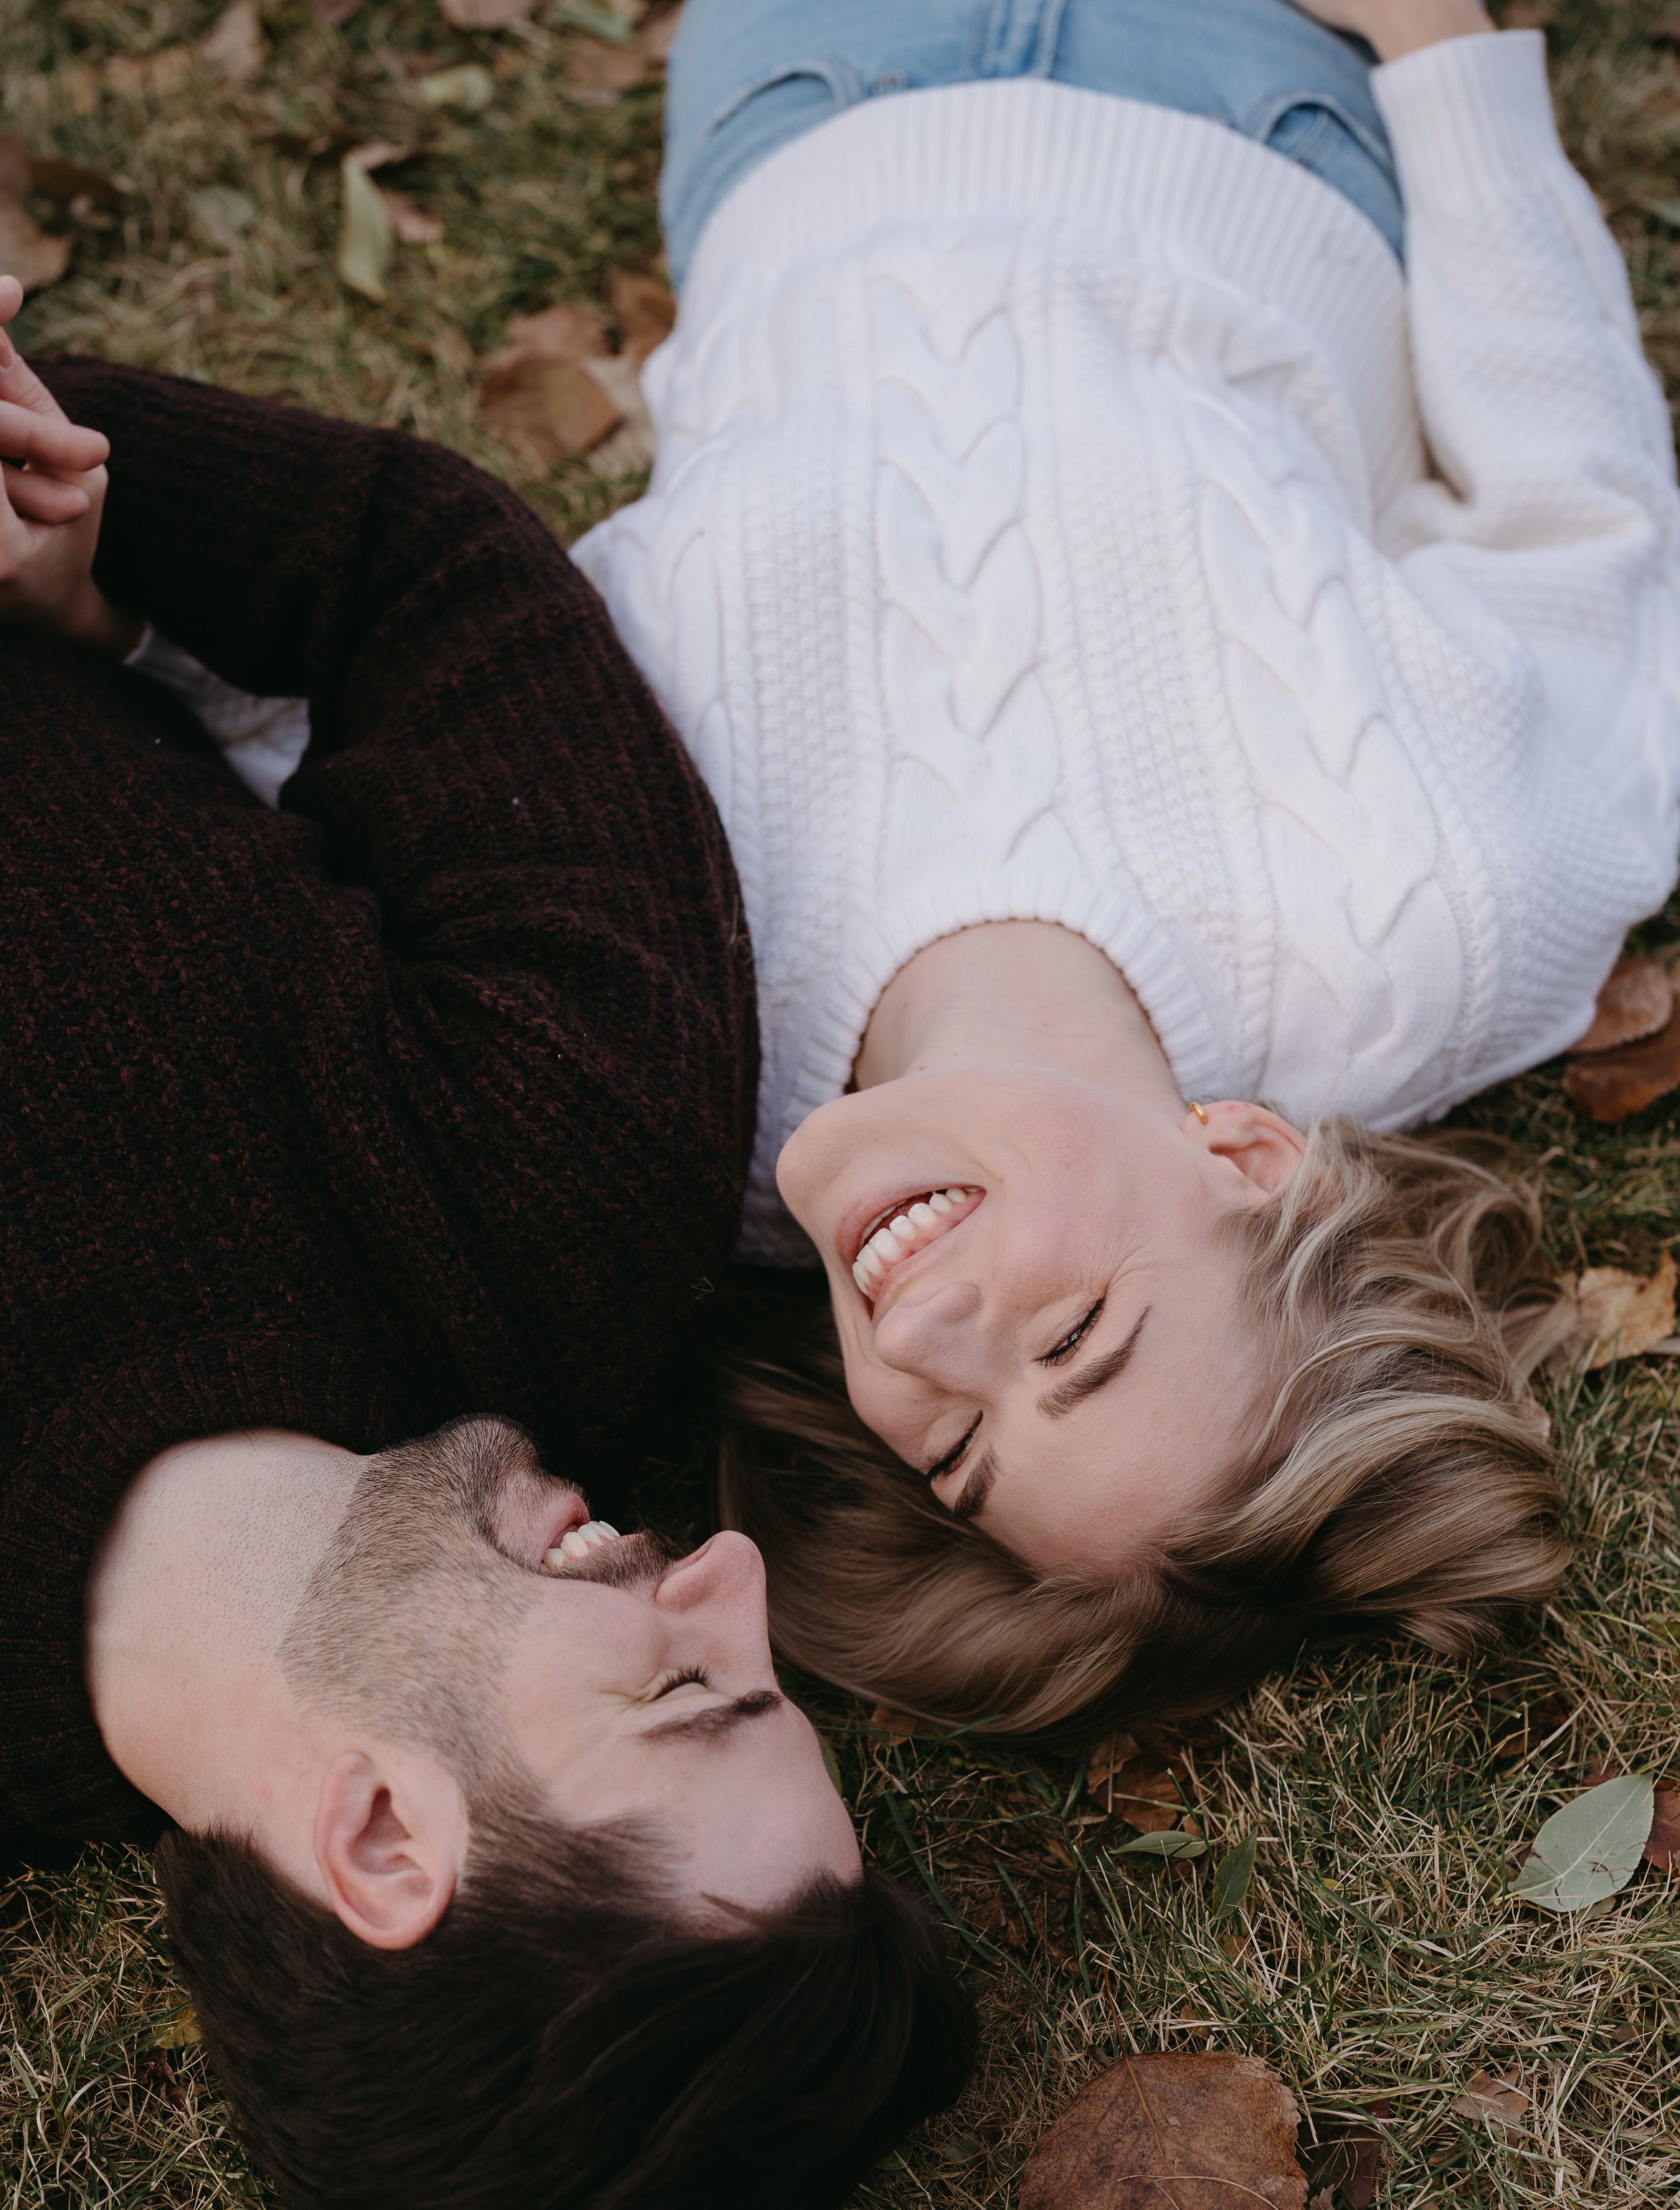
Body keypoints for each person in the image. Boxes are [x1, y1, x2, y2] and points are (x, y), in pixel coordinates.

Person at [0, 280, 972, 2210]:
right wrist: (12, 468)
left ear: (385, 1837)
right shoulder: (553, 1200)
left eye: (682, 1688)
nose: (727, 1567)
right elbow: (423, 574)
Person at [574, 0, 1680, 1735]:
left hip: (802, 101)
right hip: (1243, 91)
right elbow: (1582, 524)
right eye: (1076, 1336)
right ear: (1238, 1156)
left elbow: (378, 728)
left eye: (950, 1451)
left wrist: (89, 608)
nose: (927, 1343)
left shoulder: (652, 1063)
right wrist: (1447, 61)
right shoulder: (1426, 929)